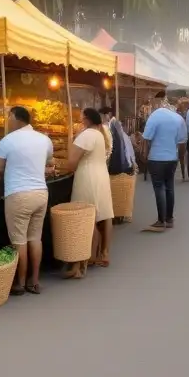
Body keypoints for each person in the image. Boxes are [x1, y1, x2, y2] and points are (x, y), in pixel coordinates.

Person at [0, 106, 53, 296]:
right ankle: (34, 281)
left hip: (18, 195)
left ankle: (19, 283)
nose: (7, 120)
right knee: (35, 238)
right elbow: (48, 162)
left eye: (8, 117)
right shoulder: (44, 139)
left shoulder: (7, 141)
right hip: (41, 194)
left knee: (19, 240)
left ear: (15, 118)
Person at [60, 108, 114, 277]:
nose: (80, 120)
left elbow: (71, 162)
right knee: (101, 215)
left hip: (87, 178)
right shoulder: (100, 133)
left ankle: (81, 262)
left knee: (85, 217)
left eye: (81, 117)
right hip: (100, 176)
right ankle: (97, 254)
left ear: (87, 119)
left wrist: (56, 166)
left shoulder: (86, 135)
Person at [142, 99, 188, 231]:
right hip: (172, 159)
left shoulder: (154, 116)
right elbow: (182, 141)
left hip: (156, 158)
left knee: (159, 187)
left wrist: (145, 157)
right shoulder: (178, 119)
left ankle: (161, 220)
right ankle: (169, 218)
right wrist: (180, 158)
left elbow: (146, 138)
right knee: (169, 187)